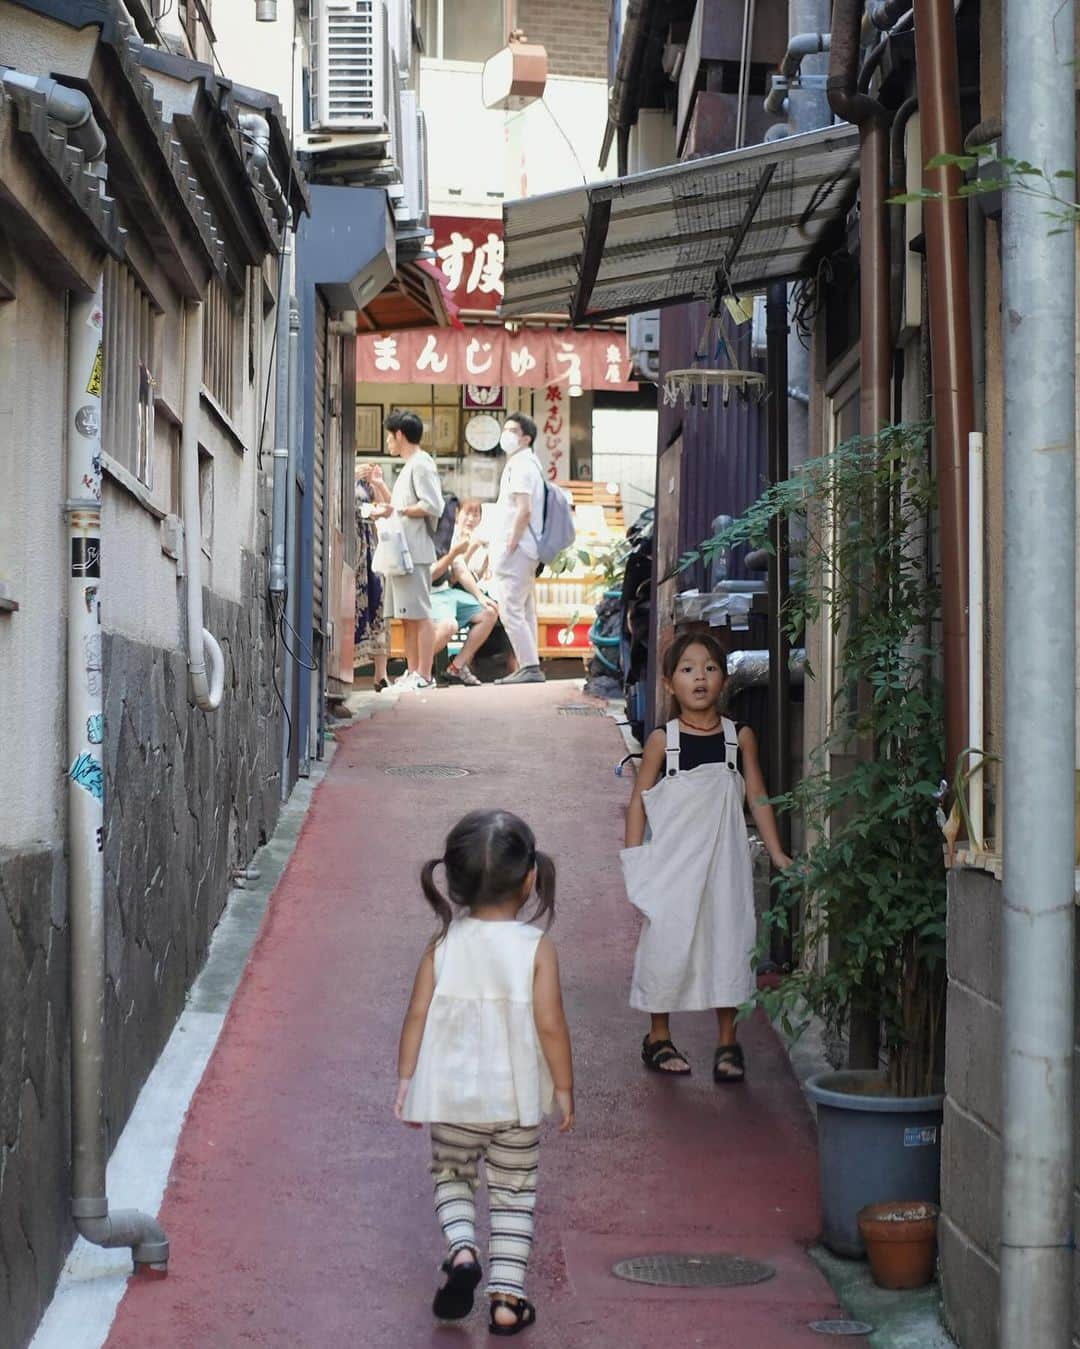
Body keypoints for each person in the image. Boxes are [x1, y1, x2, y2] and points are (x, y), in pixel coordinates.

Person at [395, 809, 574, 1336]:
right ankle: (506, 1300)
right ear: (530, 879)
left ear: (453, 882)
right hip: (514, 1102)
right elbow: (550, 1024)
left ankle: (463, 1249)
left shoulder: (442, 947)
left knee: (451, 1175)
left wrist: (407, 1081)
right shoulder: (536, 948)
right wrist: (563, 1086)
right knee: (514, 1192)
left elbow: (416, 1017)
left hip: (451, 1097)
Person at [621, 631, 792, 1084]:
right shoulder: (663, 740)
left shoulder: (741, 738)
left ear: (724, 680)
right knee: (666, 941)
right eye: (688, 669)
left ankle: (727, 1041)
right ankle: (658, 1036)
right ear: (668, 683)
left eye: (710, 668)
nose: (700, 677)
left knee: (730, 940)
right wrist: (635, 860)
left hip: (726, 865)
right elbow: (639, 801)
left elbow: (757, 797)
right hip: (671, 865)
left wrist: (777, 853)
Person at [367, 410, 444, 692]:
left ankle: (423, 675)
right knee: (408, 615)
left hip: (414, 552)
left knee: (419, 614)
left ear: (399, 435)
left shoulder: (421, 464)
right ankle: (414, 673)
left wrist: (393, 509)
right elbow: (401, 507)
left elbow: (432, 505)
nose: (388, 442)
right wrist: (381, 488)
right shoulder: (412, 465)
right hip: (404, 553)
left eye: (390, 436)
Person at [491, 413, 547, 686]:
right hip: (528, 548)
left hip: (518, 547)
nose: (506, 434)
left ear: (526, 438)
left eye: (512, 430)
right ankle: (530, 663)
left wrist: (509, 543)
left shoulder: (522, 466)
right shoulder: (529, 464)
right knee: (524, 609)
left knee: (511, 608)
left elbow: (523, 510)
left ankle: (529, 665)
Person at [431, 498, 500, 686]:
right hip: (435, 594)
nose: (470, 518)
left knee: (490, 611)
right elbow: (453, 575)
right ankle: (418, 670)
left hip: (453, 593)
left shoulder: (479, 538)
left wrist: (481, 597)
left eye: (475, 514)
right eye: (466, 513)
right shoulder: (446, 534)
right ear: (456, 514)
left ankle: (456, 667)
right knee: (448, 626)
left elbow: (462, 571)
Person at [354, 466, 389, 691]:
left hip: (371, 546)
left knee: (378, 604)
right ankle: (346, 675)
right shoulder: (339, 472)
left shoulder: (366, 482)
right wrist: (353, 476)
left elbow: (389, 506)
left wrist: (377, 482)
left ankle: (381, 674)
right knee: (353, 605)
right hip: (352, 546)